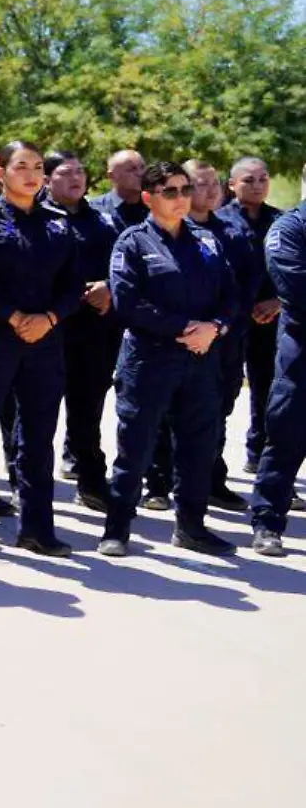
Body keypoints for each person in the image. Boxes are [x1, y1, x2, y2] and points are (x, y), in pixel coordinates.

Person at [0, 141, 82, 558]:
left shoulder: (60, 224)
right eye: (20, 166)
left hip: (44, 343)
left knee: (38, 440)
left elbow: (73, 286)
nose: (31, 174)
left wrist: (50, 318)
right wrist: (11, 316)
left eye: (38, 166)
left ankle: (37, 529)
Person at [99, 161, 239, 557]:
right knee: (136, 445)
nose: (181, 198)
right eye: (170, 192)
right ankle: (117, 527)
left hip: (201, 359)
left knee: (198, 446)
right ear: (148, 198)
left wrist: (214, 327)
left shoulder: (207, 241)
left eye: (184, 189)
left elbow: (231, 296)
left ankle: (191, 526)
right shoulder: (132, 242)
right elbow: (129, 303)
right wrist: (186, 328)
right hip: (150, 360)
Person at [142, 160, 261, 513]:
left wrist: (221, 325)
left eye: (213, 184)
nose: (209, 191)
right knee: (165, 413)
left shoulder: (232, 231)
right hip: (177, 339)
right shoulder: (166, 232)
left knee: (217, 411)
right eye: (199, 184)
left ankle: (211, 479)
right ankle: (159, 483)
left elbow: (244, 283)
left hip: (225, 337)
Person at [44, 150, 124, 511]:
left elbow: (125, 264)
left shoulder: (104, 221)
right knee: (37, 414)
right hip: (48, 328)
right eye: (65, 172)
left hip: (94, 330)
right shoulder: (37, 218)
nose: (76, 178)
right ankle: (27, 485)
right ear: (46, 179)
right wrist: (76, 293)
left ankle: (91, 481)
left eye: (79, 171)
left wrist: (109, 287)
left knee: (88, 411)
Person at [248, 178, 306, 556]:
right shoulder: (289, 228)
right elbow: (295, 286)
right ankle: (268, 522)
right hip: (302, 353)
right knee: (287, 437)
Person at [218, 157, 283, 472]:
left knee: (269, 390)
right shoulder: (217, 222)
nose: (257, 186)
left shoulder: (283, 221)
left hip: (272, 318)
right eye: (249, 180)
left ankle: (259, 456)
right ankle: (210, 468)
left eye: (263, 178)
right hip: (230, 319)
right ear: (231, 185)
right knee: (223, 391)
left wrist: (278, 302)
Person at [91, 149, 148, 227]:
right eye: (132, 169)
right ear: (112, 176)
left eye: (142, 167)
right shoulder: (95, 210)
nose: (140, 173)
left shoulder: (156, 206)